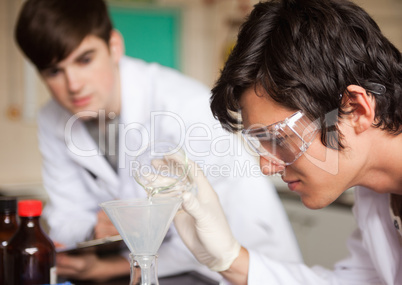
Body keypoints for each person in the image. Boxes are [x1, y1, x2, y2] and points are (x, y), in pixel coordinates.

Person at [14, 0, 302, 282]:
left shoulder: (183, 105)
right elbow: (65, 215)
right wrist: (95, 229)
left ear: (114, 46)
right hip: (153, 266)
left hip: (241, 268)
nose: (73, 84)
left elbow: (208, 233)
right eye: (54, 71)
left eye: (85, 59)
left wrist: (111, 267)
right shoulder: (52, 119)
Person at [172, 0, 402, 284]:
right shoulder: (375, 191)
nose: (267, 166)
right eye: (260, 141)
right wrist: (229, 259)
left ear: (355, 109)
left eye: (279, 138)